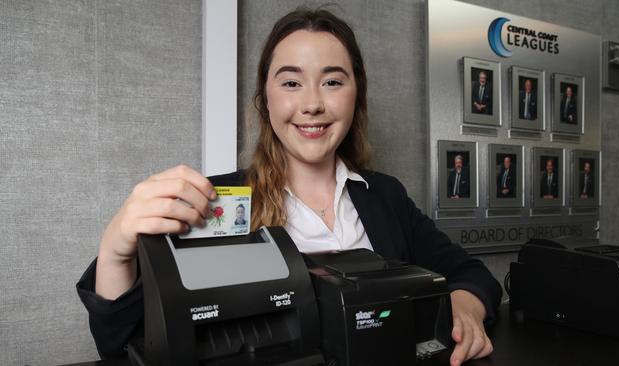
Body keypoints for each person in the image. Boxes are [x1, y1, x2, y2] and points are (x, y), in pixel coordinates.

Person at [76, 8, 501, 366]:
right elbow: (121, 345)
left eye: (333, 81)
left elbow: (471, 273)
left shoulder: (385, 194)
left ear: (357, 94)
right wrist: (115, 248)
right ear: (266, 95)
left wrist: (464, 306)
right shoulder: (212, 204)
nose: (312, 103)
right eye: (291, 82)